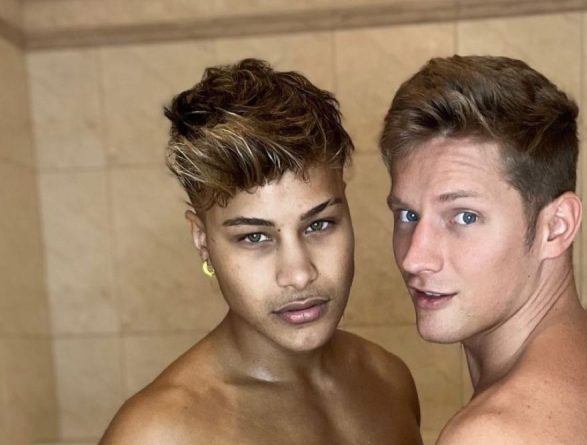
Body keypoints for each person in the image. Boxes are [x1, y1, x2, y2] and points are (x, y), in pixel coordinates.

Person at [100, 59, 422, 445]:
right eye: (255, 237)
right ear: (202, 240)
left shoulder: (389, 379)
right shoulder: (158, 434)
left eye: (319, 225)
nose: (299, 274)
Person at [381, 55, 587, 445]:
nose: (414, 258)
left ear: (557, 227)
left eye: (465, 217)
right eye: (407, 215)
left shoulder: (490, 434)